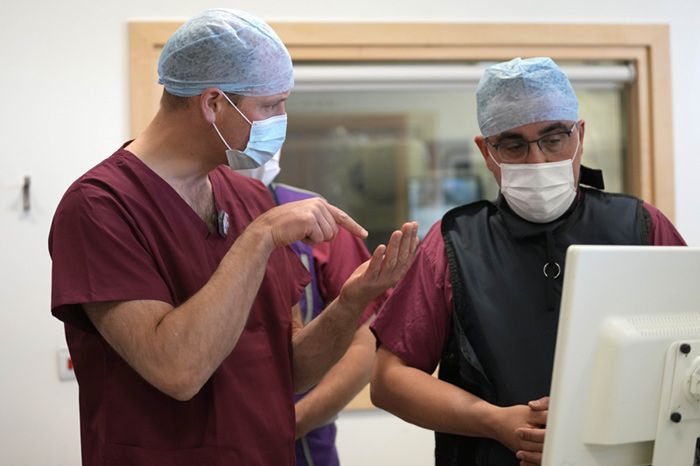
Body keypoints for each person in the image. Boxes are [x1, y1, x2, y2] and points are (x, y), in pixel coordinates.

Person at [49, 9, 418, 466]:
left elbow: (292, 366)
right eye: (270, 106)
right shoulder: (100, 207)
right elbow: (177, 370)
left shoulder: (247, 196)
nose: (282, 119)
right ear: (213, 104)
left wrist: (349, 303)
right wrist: (258, 237)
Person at [369, 56, 686, 466]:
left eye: (554, 138)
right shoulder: (454, 243)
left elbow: (690, 351)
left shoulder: (641, 227)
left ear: (580, 136)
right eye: (514, 145)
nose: (538, 161)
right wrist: (494, 421)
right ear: (487, 152)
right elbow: (389, 380)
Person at [239, 152, 382, 465]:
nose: (275, 119)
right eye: (264, 107)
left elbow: (368, 339)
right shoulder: (181, 215)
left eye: (278, 105)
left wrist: (294, 421)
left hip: (302, 446)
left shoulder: (313, 217)